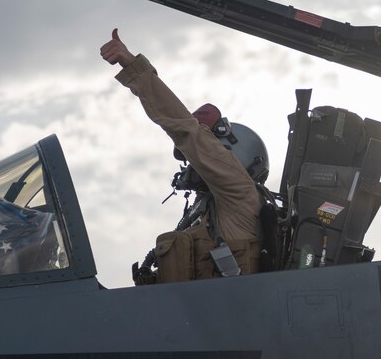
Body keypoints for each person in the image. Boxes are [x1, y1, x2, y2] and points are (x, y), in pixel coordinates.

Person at [101, 29, 265, 282]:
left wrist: (135, 69)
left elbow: (186, 130)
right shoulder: (207, 212)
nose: (193, 164)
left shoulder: (238, 192)